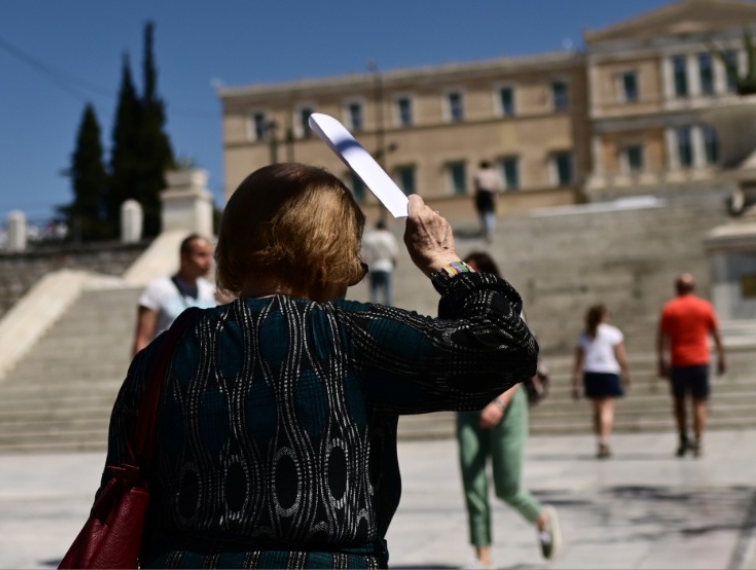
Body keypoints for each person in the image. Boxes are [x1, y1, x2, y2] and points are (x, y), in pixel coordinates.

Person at [95, 163, 538, 568]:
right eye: (354, 252)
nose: (357, 269)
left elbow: (119, 493)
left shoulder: (161, 355)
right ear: (328, 251)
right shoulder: (347, 334)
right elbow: (507, 347)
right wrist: (445, 261)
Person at [455, 250, 561, 569]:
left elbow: (525, 362)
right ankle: (482, 557)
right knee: (473, 483)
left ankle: (541, 517)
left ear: (488, 275)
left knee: (508, 487)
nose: (464, 278)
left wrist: (500, 402)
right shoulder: (455, 307)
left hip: (508, 403)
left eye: (470, 272)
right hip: (469, 403)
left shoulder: (506, 306)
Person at [657, 272, 726, 458]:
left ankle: (683, 438)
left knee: (679, 402)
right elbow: (716, 333)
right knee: (699, 402)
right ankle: (699, 439)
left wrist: (661, 361)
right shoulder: (704, 307)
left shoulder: (670, 308)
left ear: (677, 288)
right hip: (700, 360)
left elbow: (662, 337)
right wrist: (722, 356)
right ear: (693, 288)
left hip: (678, 361)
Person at [131, 233, 218, 355]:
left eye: (210, 255)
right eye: (201, 255)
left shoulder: (211, 291)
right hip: (167, 363)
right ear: (185, 257)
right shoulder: (158, 289)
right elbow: (142, 340)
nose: (208, 261)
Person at [571, 304, 630, 459]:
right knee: (607, 409)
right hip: (609, 371)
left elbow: (578, 361)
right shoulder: (613, 333)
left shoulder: (585, 334)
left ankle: (599, 439)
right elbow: (621, 356)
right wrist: (626, 373)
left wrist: (576, 381)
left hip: (591, 372)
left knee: (597, 411)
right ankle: (605, 440)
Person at [360, 219, 399, 306]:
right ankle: (389, 309)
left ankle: (375, 309)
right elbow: (394, 252)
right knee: (388, 291)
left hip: (373, 266)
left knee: (374, 291)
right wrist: (394, 263)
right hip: (386, 265)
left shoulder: (370, 237)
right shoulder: (388, 236)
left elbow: (365, 254)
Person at [472, 161, 502, 243]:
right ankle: (490, 232)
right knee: (490, 213)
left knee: (482, 213)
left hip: (481, 194)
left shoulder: (478, 174)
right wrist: (496, 196)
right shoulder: (493, 174)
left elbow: (475, 186)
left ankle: (485, 230)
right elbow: (498, 186)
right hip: (490, 194)